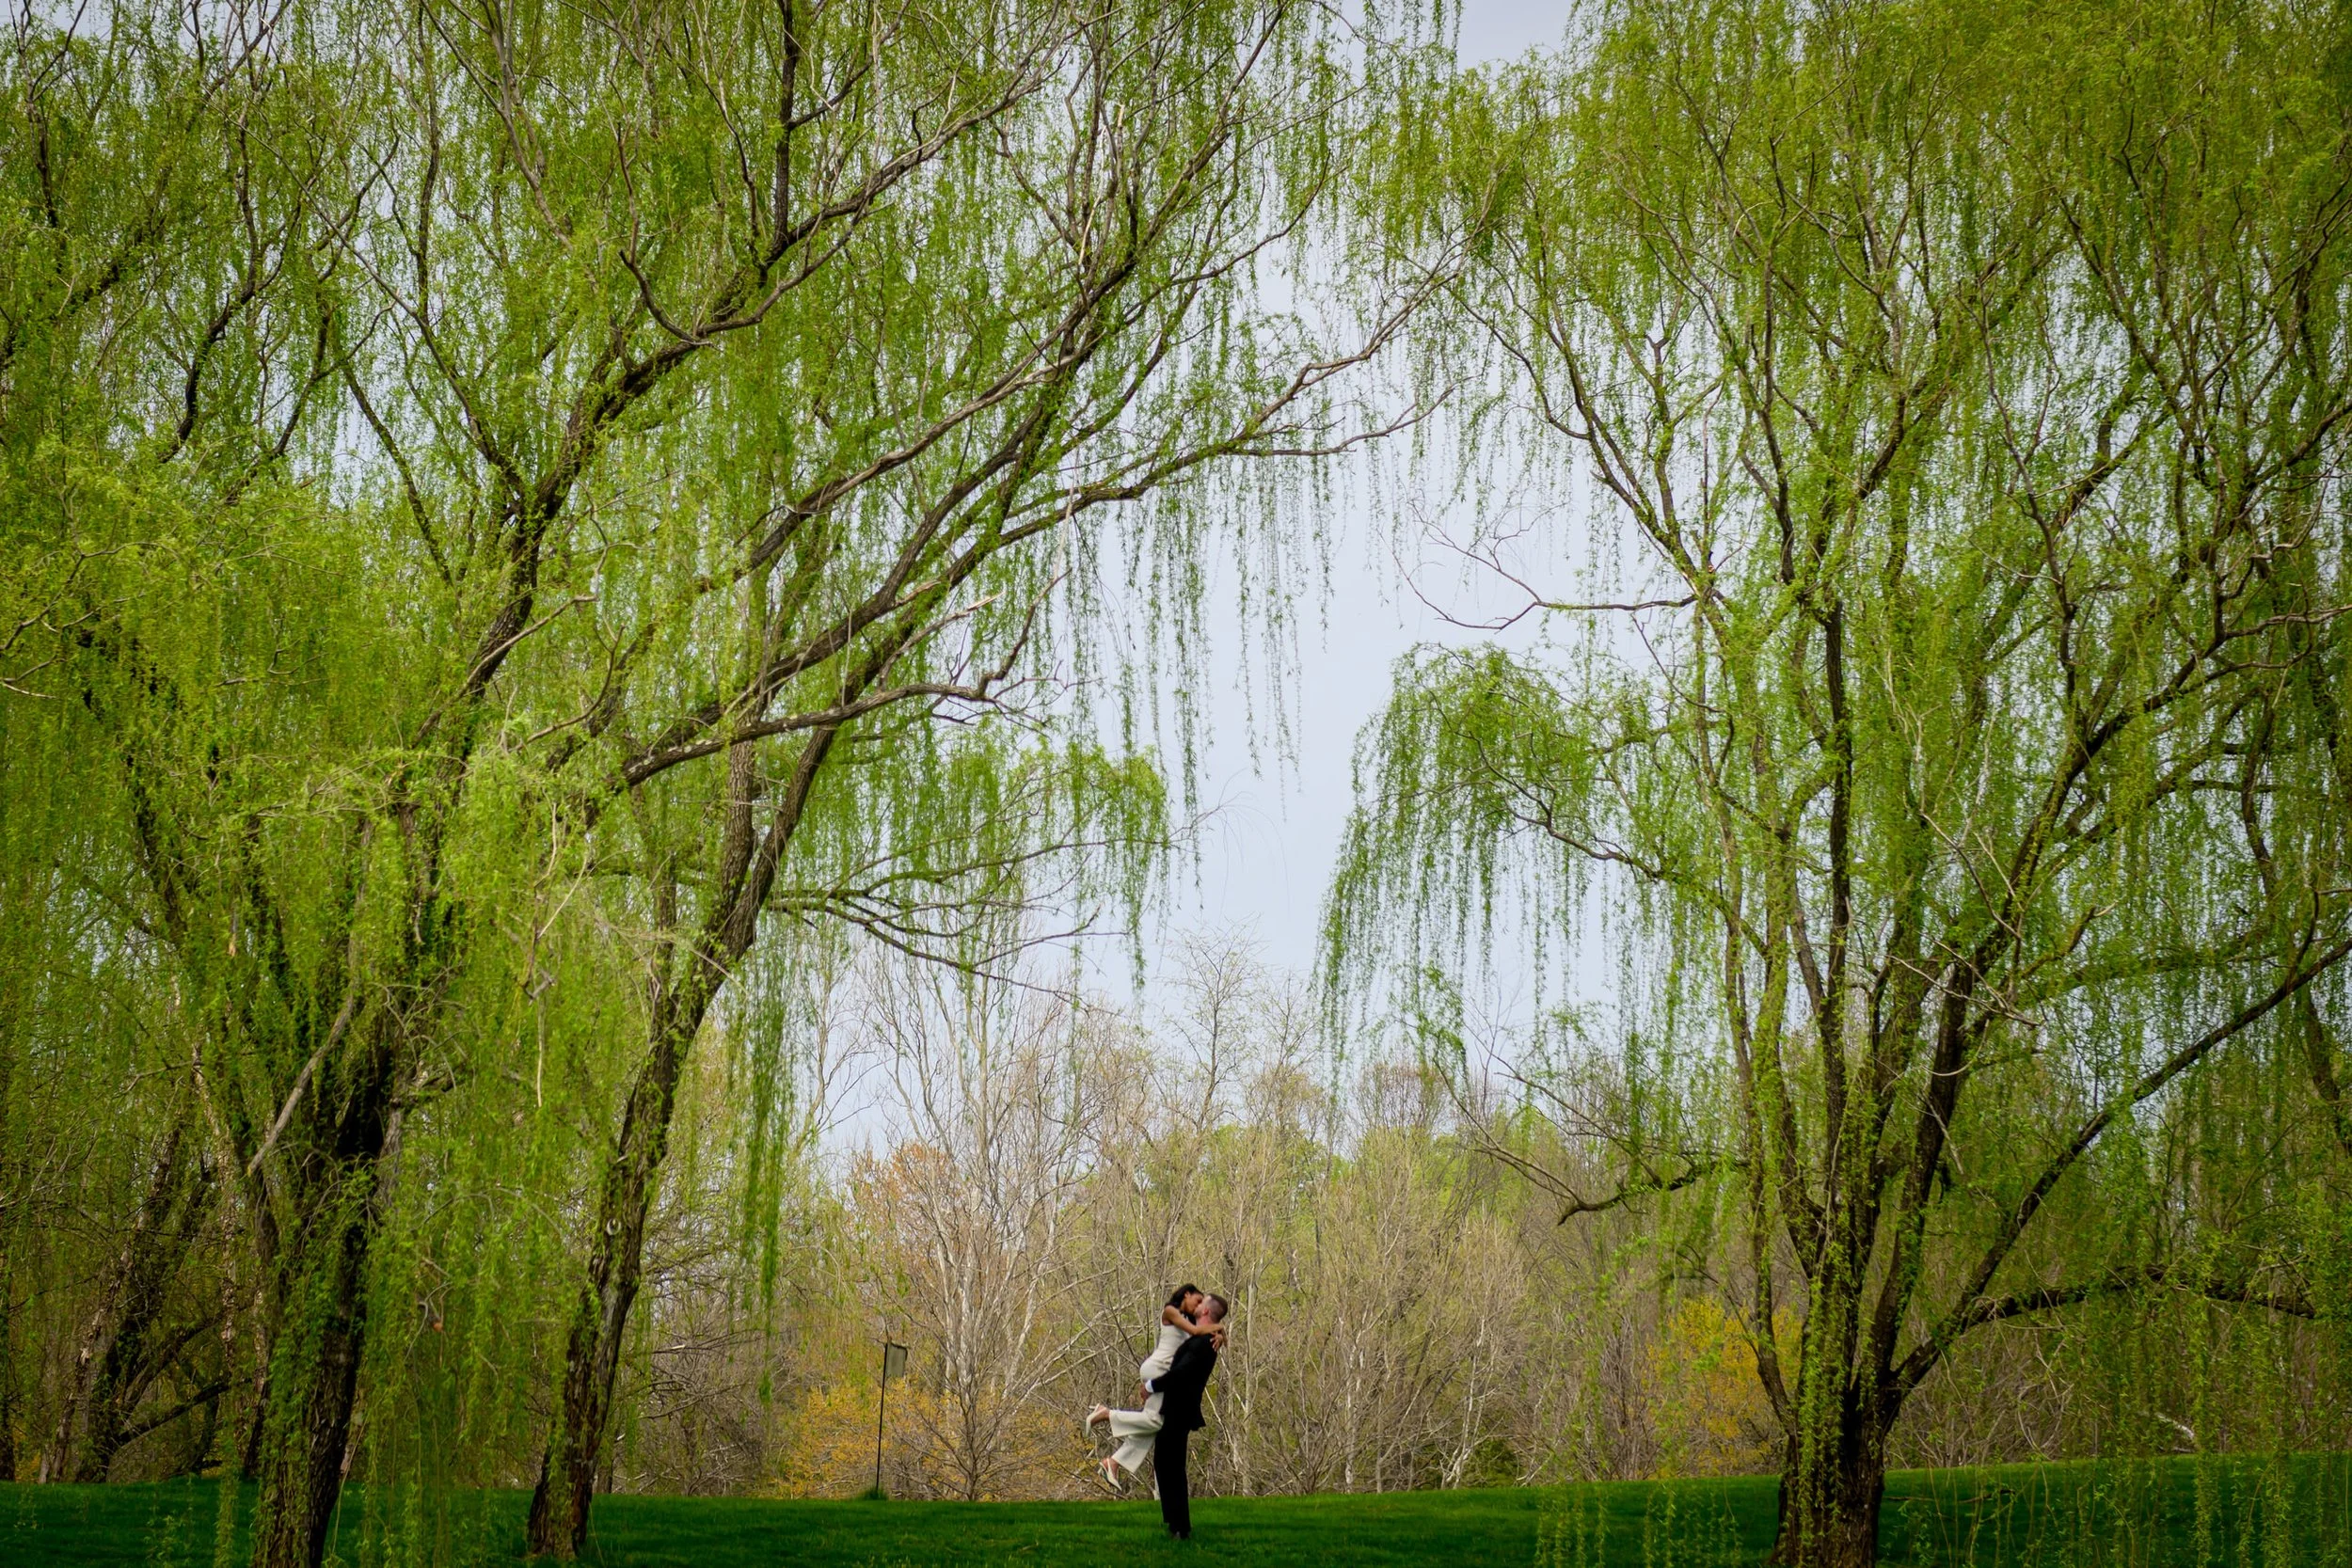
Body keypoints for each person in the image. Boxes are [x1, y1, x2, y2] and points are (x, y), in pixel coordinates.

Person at [1085, 1285, 1224, 1490]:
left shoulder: (1189, 1318)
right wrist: (1218, 1329)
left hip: (1164, 1374)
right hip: (1158, 1370)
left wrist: (1221, 1334)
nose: (1199, 1305)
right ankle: (1106, 1414)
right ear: (1186, 1294)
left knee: (1154, 1426)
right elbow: (1196, 1331)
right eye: (1197, 1300)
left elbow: (1204, 1327)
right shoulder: (1171, 1311)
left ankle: (1113, 1463)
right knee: (1156, 1421)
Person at [1144, 1292, 1224, 1540]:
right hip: (1176, 1407)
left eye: (1202, 1303)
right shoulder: (1202, 1336)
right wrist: (1222, 1331)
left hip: (1180, 1409)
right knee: (1164, 1464)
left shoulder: (1204, 1343)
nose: (1197, 1306)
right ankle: (1173, 1522)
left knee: (1173, 1467)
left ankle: (1181, 1526)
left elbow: (1180, 1373)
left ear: (1206, 1312)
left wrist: (1150, 1387)